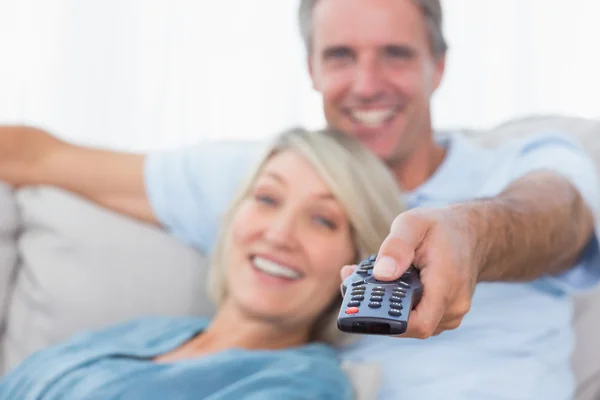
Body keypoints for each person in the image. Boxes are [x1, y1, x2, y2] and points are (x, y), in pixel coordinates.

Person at [0, 0, 598, 398]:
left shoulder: (516, 167)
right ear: (310, 68)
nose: (366, 85)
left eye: (395, 53)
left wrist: (473, 235)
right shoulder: (268, 169)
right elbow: (39, 157)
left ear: (437, 66)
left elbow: (561, 216)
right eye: (340, 55)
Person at [0, 127, 404, 399]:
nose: (280, 234)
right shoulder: (145, 334)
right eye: (267, 199)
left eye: (322, 220)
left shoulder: (303, 385)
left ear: (356, 266)